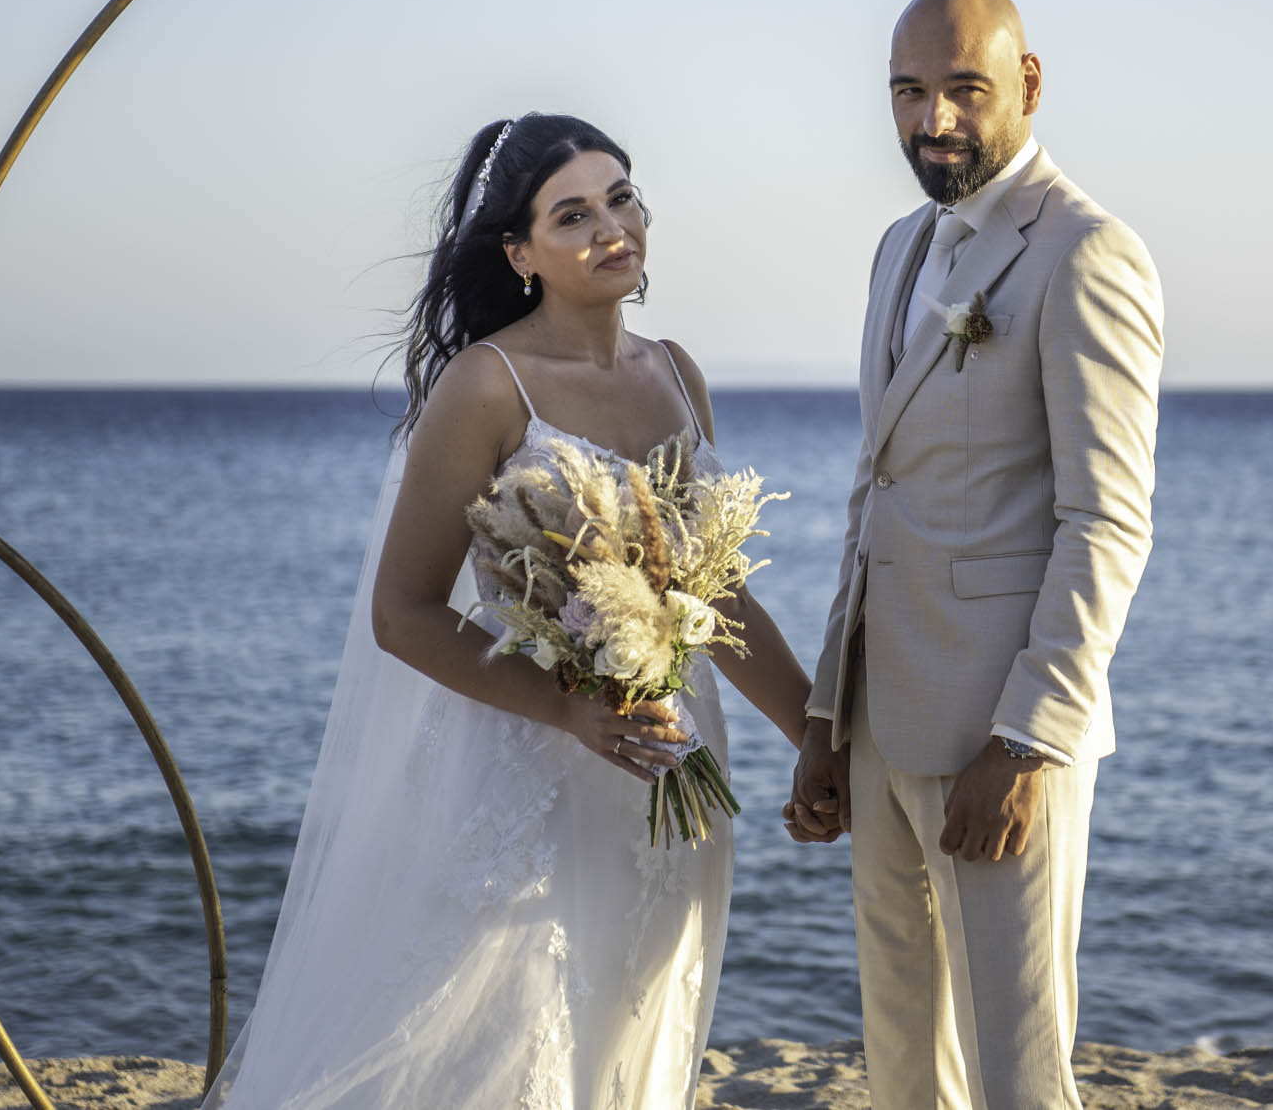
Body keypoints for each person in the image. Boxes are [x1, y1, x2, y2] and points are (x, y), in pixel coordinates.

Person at [204, 112, 817, 1110]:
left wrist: (812, 734)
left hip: (672, 751)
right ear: (520, 250)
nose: (610, 227)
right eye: (571, 214)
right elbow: (402, 612)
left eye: (621, 198)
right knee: (514, 1033)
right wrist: (576, 711)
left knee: (634, 1023)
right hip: (535, 763)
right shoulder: (488, 387)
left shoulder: (675, 371)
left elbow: (713, 590)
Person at [785, 0, 1164, 1109]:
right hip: (880, 719)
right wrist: (823, 713)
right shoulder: (898, 248)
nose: (932, 119)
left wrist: (1027, 740)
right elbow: (877, 486)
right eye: (908, 91)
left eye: (963, 89)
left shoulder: (1087, 252)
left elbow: (1108, 520)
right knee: (903, 1053)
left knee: (1017, 1068)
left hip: (1002, 739)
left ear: (1028, 84)